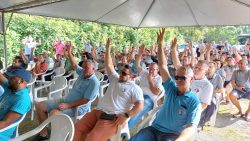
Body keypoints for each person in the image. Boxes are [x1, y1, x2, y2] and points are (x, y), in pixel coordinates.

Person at [130, 28, 202, 141]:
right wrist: (160, 44)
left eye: (182, 78)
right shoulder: (171, 88)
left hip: (172, 135)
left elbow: (191, 128)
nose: (178, 80)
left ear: (191, 79)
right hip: (153, 130)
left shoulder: (194, 101)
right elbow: (163, 66)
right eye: (177, 77)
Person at [73, 38, 144, 141]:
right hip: (98, 111)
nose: (120, 74)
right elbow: (109, 65)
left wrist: (127, 115)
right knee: (77, 128)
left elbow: (140, 105)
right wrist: (108, 48)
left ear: (132, 76)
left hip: (112, 117)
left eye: (124, 73)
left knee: (92, 138)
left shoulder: (135, 88)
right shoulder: (115, 78)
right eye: (120, 71)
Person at [35, 45, 100, 140]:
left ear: (94, 69)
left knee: (54, 113)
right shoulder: (83, 72)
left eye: (87, 68)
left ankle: (57, 136)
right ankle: (44, 133)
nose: (84, 70)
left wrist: (68, 105)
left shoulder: (94, 82)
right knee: (40, 106)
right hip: (66, 100)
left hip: (78, 107)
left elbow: (85, 100)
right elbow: (74, 65)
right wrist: (69, 53)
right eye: (84, 67)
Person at [128, 44, 163, 130]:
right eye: (150, 69)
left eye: (153, 69)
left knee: (137, 111)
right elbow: (137, 64)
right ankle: (115, 123)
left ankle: (124, 129)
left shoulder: (159, 79)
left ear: (157, 70)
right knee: (124, 102)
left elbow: (157, 92)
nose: (150, 71)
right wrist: (140, 52)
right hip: (138, 95)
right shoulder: (145, 72)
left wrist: (150, 80)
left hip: (149, 99)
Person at [0, 69, 31, 140]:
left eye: (12, 79)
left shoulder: (23, 100)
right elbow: (1, 77)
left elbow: (5, 122)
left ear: (23, 81)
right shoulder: (12, 86)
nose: (8, 81)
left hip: (2, 133)